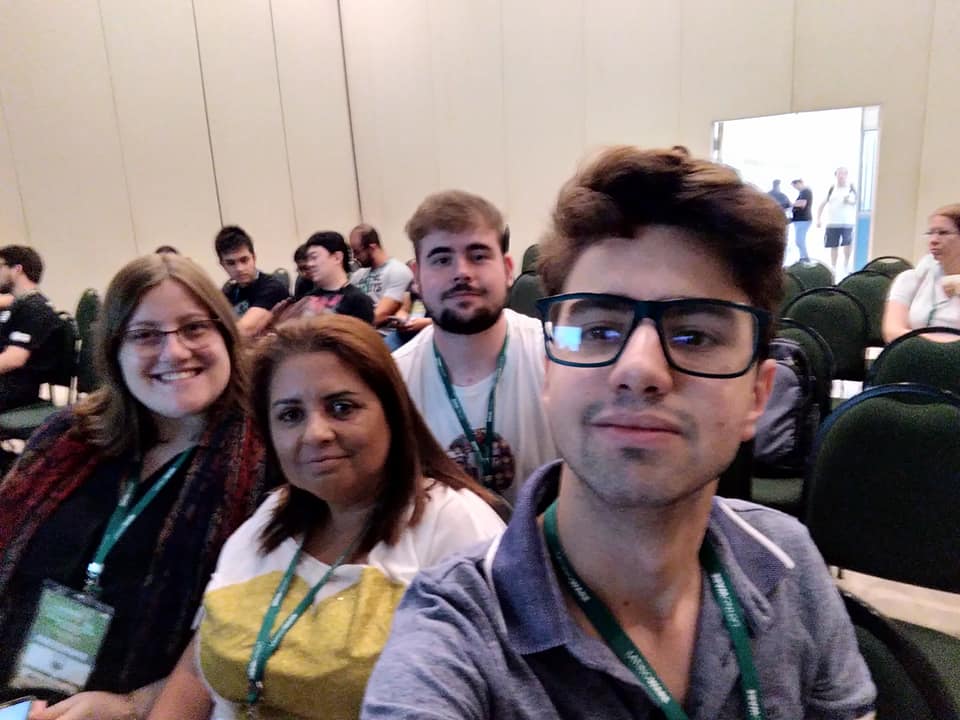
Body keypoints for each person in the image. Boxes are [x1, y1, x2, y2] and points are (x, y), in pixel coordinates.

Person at [362, 147, 876, 719]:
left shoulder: (786, 560)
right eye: (601, 330)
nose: (639, 370)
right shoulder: (450, 629)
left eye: (694, 336)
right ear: (550, 371)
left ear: (757, 394)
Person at [148, 316, 505, 720]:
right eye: (290, 415)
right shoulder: (270, 518)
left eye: (341, 408)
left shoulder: (458, 526)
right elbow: (198, 666)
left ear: (392, 412)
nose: (315, 433)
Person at [0, 254, 272, 719]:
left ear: (227, 336)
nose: (175, 352)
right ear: (114, 350)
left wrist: (134, 706)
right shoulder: (68, 437)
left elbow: (264, 636)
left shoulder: (271, 461)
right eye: (145, 335)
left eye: (194, 328)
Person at [392, 191, 558, 507]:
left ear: (508, 269)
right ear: (417, 278)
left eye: (478, 255)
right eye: (442, 259)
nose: (462, 272)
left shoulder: (558, 356)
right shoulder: (393, 380)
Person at [882, 204, 960, 342]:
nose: (933, 240)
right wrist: (940, 345)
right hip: (916, 352)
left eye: (943, 233)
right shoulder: (910, 279)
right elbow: (892, 332)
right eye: (930, 233)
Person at [0, 246, 62, 412]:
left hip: (16, 391)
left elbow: (14, 358)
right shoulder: (20, 304)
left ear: (17, 270)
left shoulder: (34, 308)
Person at [273, 232, 375, 324]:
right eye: (308, 259)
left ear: (337, 257)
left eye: (314, 257)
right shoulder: (306, 299)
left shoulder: (358, 301)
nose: (310, 264)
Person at [215, 225, 289, 337]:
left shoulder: (272, 287)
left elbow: (245, 330)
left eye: (244, 260)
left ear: (254, 258)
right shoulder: (228, 292)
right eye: (231, 263)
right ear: (223, 265)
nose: (239, 268)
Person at [348, 224, 414, 328]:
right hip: (357, 330)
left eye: (357, 252)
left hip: (380, 333)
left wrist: (347, 328)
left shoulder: (398, 271)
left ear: (372, 247)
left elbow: (379, 316)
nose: (355, 257)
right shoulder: (357, 275)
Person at [817, 167, 858, 275]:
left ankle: (846, 264)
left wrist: (849, 201)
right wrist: (818, 219)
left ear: (847, 175)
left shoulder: (851, 188)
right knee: (833, 245)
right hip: (832, 223)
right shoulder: (831, 189)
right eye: (839, 173)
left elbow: (857, 203)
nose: (841, 176)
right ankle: (833, 266)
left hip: (847, 222)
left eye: (843, 173)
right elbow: (822, 204)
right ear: (836, 175)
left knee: (848, 244)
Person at [790, 178, 813, 261]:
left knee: (799, 240)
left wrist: (790, 204)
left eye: (795, 186)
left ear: (799, 183)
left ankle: (804, 258)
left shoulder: (805, 191)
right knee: (799, 240)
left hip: (803, 219)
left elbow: (802, 204)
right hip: (800, 219)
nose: (795, 188)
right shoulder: (802, 192)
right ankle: (803, 257)